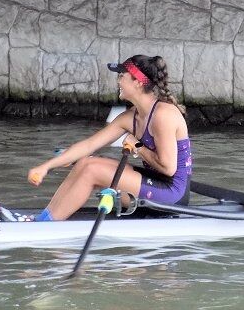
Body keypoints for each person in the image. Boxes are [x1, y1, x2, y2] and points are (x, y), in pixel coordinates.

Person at [27, 55, 193, 221]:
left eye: (122, 76)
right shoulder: (130, 117)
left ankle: (46, 225)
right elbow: (89, 145)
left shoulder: (163, 115)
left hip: (173, 195)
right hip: (154, 182)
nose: (118, 81)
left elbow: (168, 168)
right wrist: (46, 167)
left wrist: (138, 146)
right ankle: (44, 218)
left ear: (138, 82)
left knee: (92, 171)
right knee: (86, 162)